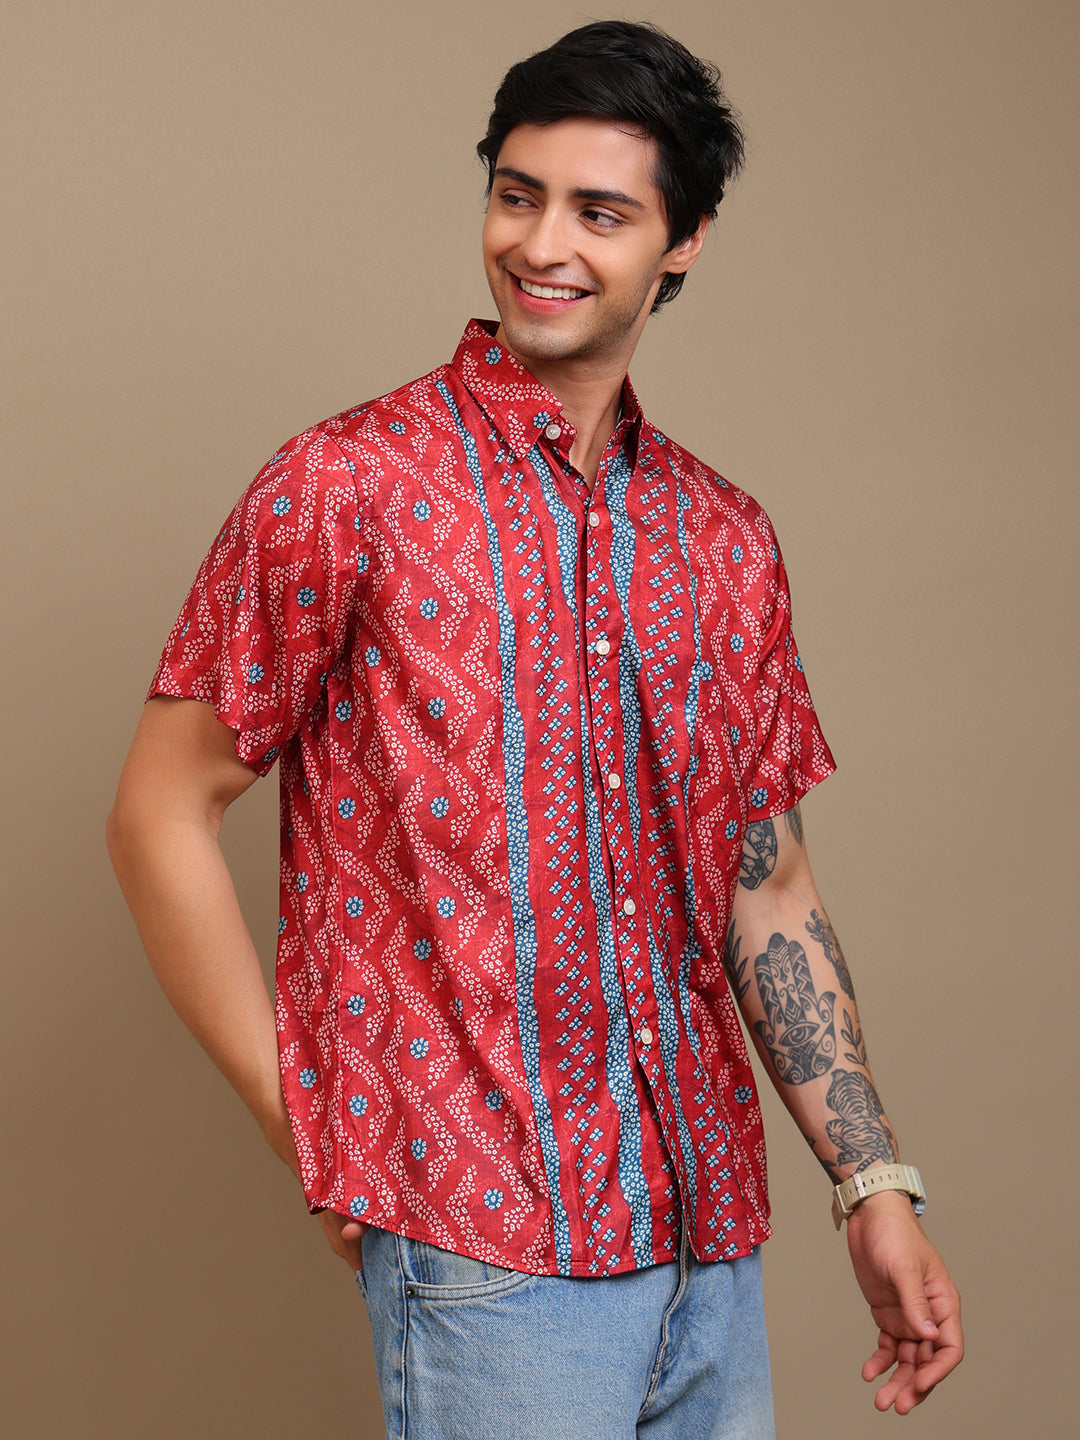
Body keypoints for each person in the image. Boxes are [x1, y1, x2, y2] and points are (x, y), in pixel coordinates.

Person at [107, 20, 962, 1439]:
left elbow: (767, 883)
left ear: (683, 242)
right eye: (517, 194)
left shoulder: (724, 538)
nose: (541, 242)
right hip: (487, 1254)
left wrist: (871, 1185)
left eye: (600, 210)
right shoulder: (346, 486)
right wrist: (313, 1135)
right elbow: (156, 813)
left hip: (710, 1247)